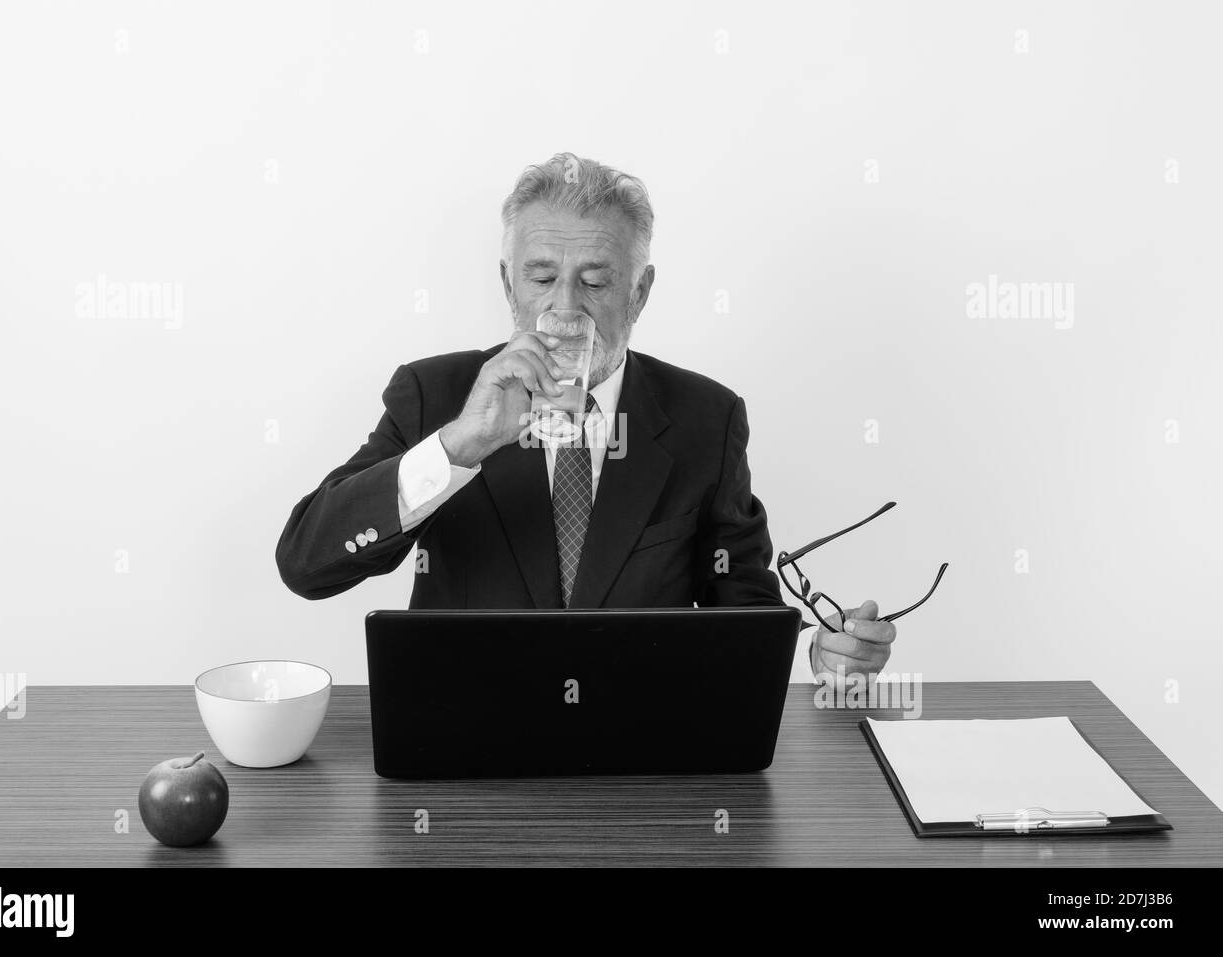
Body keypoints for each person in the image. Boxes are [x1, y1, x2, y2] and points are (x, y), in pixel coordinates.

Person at [275, 152, 897, 679]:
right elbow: (306, 565)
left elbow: (744, 610)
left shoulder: (708, 418)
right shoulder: (432, 395)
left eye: (596, 282)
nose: (565, 308)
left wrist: (816, 649)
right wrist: (459, 446)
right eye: (541, 277)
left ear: (640, 291)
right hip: (461, 751)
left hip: (640, 761)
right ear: (507, 285)